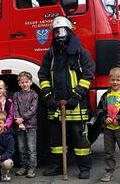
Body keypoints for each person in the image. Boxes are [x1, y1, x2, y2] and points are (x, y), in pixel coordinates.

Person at [38, 16, 95, 179]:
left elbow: (88, 74)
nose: (59, 35)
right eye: (55, 32)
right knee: (55, 140)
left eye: (62, 31)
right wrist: (48, 96)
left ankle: (84, 168)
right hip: (56, 105)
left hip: (75, 105)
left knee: (80, 139)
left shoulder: (80, 52)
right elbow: (43, 75)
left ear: (69, 32)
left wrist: (76, 97)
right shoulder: (50, 53)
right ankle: (57, 166)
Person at [13, 71, 38, 178]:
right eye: (22, 82)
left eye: (26, 82)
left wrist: (22, 119)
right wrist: (19, 122)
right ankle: (23, 167)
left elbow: (33, 110)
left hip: (31, 126)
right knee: (21, 147)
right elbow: (15, 109)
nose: (24, 84)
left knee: (31, 148)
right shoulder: (16, 95)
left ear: (31, 82)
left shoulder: (34, 95)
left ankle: (32, 168)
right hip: (20, 126)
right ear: (19, 84)